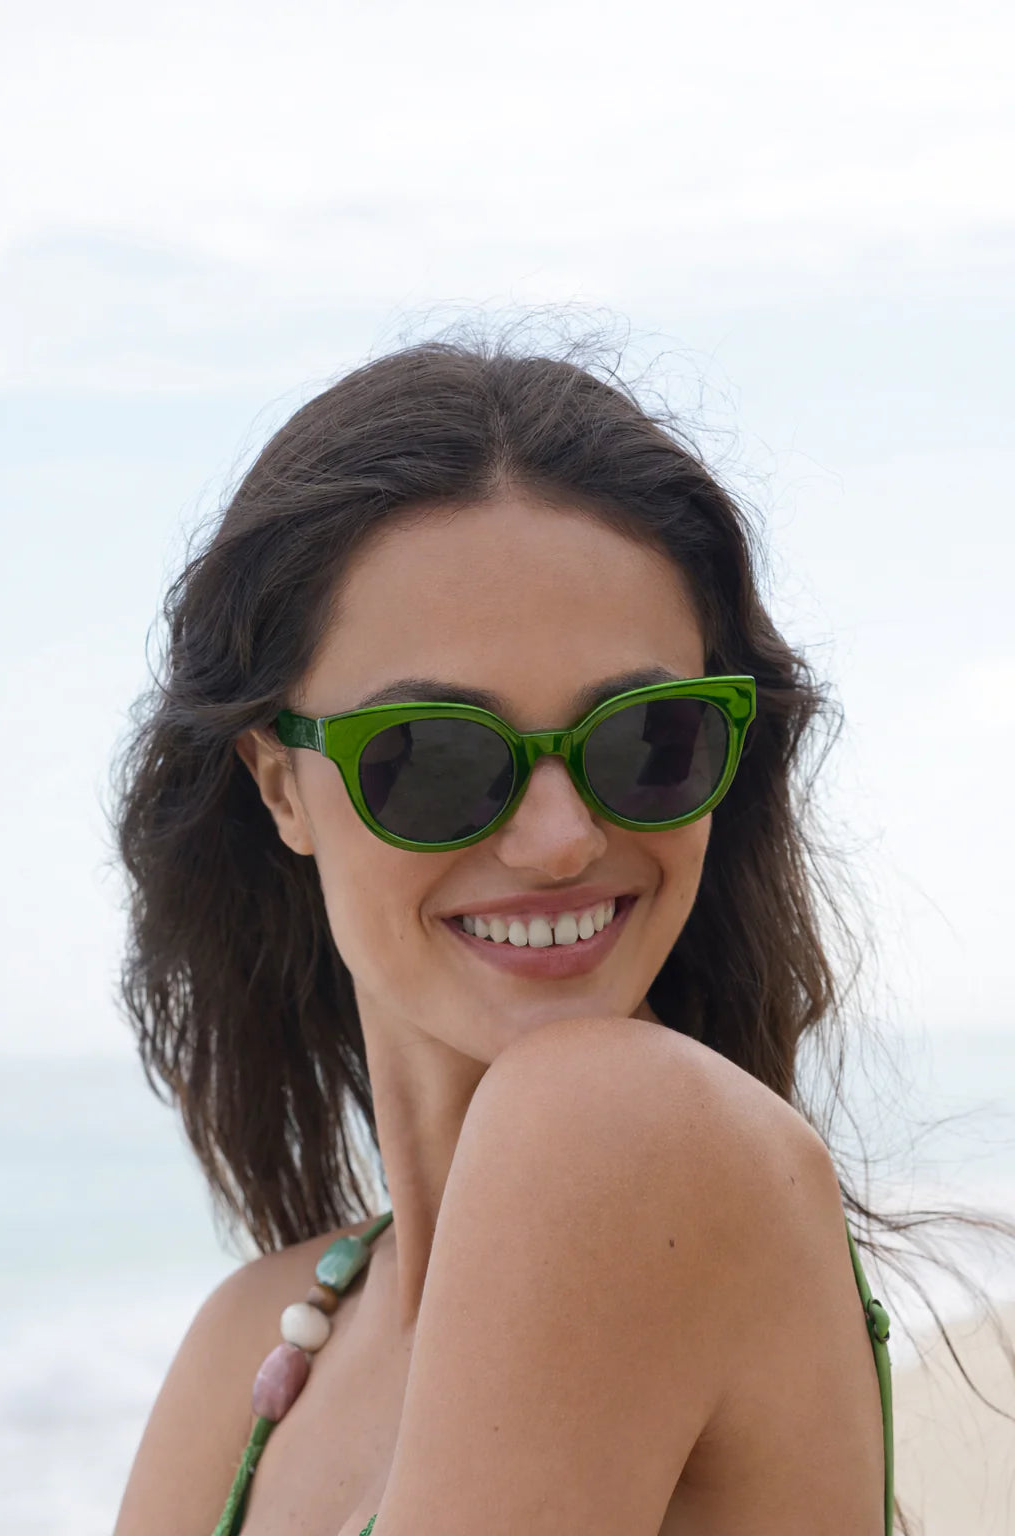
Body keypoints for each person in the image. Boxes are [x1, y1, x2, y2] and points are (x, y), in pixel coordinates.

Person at [110, 336, 901, 1536]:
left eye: (648, 738)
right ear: (279, 787)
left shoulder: (625, 1134)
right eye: (433, 757)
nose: (558, 838)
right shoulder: (254, 1346)